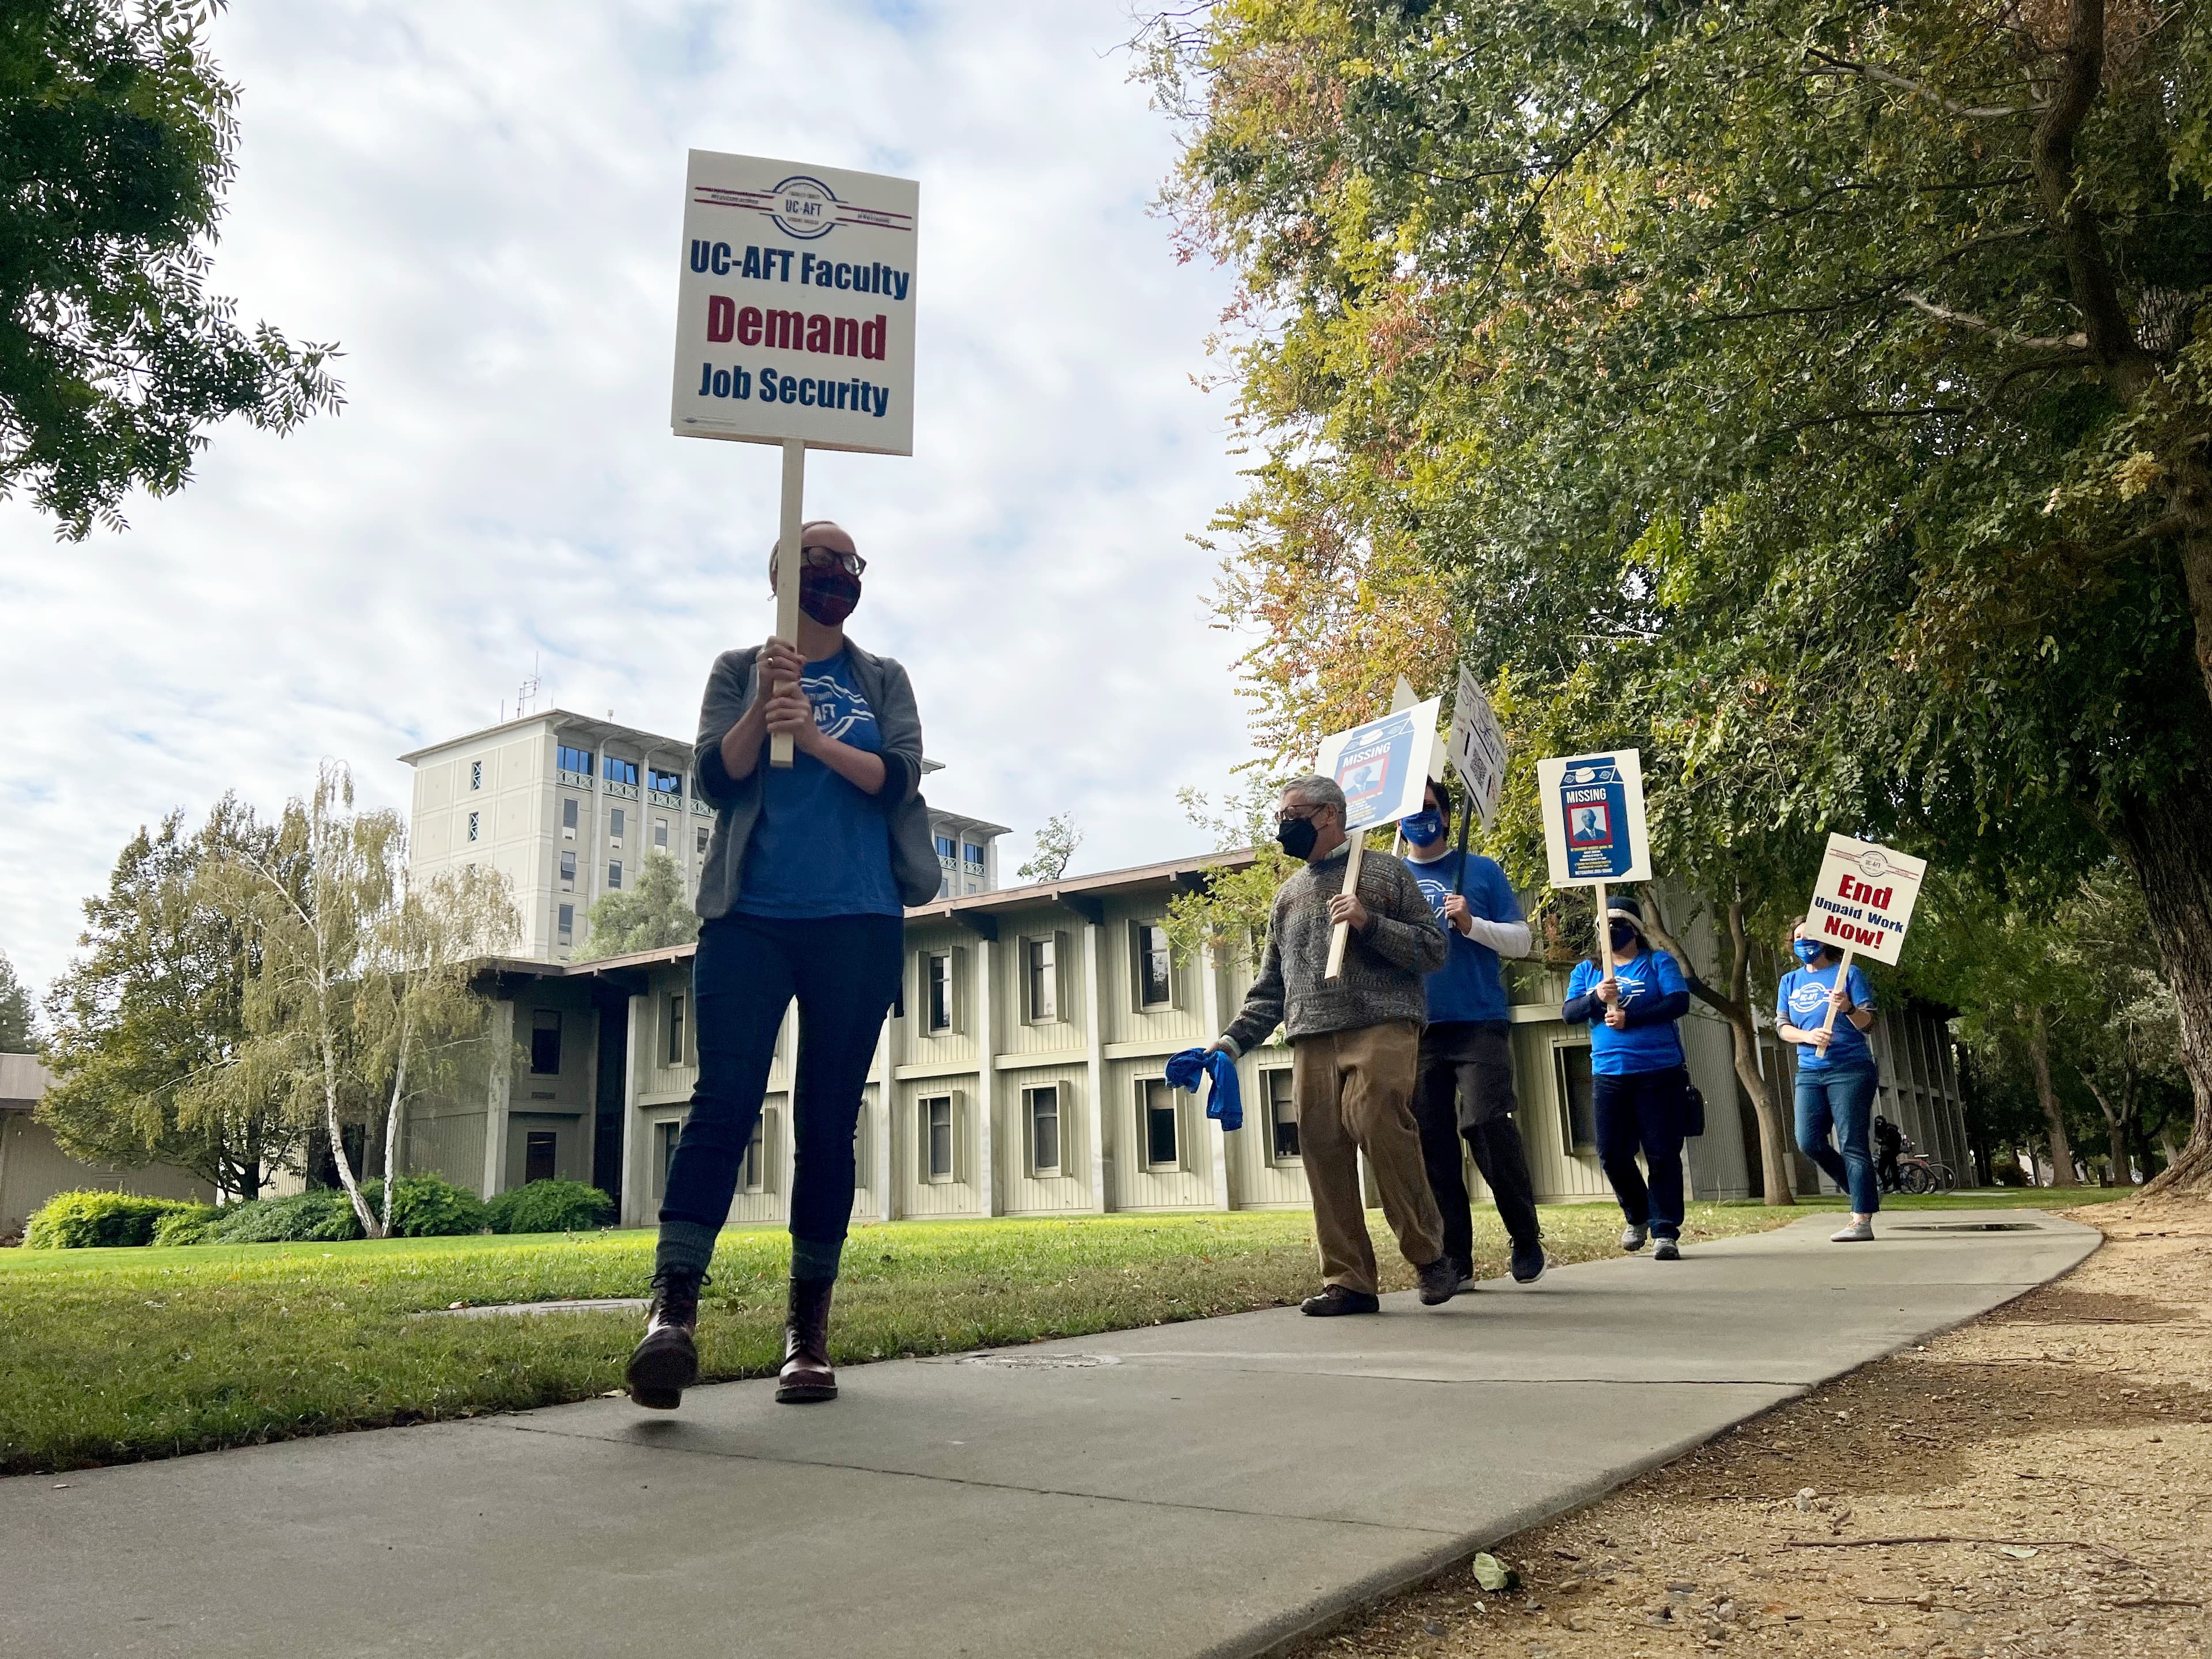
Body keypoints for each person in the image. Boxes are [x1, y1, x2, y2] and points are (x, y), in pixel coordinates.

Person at [626, 520, 941, 1411]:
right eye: (818, 561)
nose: (836, 573)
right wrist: (763, 714)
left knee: (827, 1120)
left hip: (859, 921)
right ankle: (671, 1316)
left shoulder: (882, 679)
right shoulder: (739, 669)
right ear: (780, 578)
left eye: (849, 563)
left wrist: (814, 734)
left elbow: (899, 777)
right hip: (749, 921)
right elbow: (714, 779)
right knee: (721, 1106)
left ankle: (807, 1335)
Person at [1207, 776, 1459, 1315]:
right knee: (1322, 1148)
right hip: (1311, 1034)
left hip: (1382, 1022)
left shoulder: (1387, 872)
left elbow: (1433, 950)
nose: (1282, 824)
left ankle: (1430, 1254)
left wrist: (1370, 923)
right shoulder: (1288, 895)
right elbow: (1270, 988)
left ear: (1328, 815)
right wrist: (1230, 1043)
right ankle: (1350, 1282)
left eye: (1291, 813)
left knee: (1376, 1119)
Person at [1400, 778, 1546, 1290]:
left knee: (1486, 1122)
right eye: (1410, 809)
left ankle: (1524, 1234)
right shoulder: (1386, 877)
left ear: (1445, 813)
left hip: (1478, 1021)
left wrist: (1473, 924)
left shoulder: (1481, 870)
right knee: (1432, 1145)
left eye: (1428, 808)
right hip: (1416, 1029)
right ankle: (1455, 1259)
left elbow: (1522, 940)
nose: (1420, 818)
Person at [1562, 896, 1694, 1260]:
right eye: (1605, 926)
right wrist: (1595, 998)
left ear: (1634, 930)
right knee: (1612, 1154)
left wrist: (1630, 1018)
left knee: (1662, 1152)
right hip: (1609, 1075)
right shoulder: (1588, 971)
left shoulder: (1656, 962)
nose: (1611, 933)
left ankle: (1665, 1229)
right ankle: (1638, 1215)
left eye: (1618, 925)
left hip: (1658, 1073)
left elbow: (1679, 1002)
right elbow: (1569, 1013)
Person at [1777, 919, 1881, 1241]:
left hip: (1850, 1068)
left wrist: (1847, 1007)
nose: (1803, 941)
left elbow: (1868, 1024)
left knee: (1852, 1142)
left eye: (1809, 936)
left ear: (1825, 939)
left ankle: (1861, 1220)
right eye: (1797, 937)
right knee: (1808, 1140)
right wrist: (1808, 1035)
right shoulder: (1789, 982)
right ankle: (1862, 1190)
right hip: (1810, 1071)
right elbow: (1782, 1027)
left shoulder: (1848, 973)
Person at [1873, 1113, 1904, 1192]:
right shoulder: (1886, 1129)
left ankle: (1889, 1186)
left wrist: (1882, 1141)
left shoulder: (1888, 1130)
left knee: (1883, 1170)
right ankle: (1893, 1186)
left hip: (1889, 1152)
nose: (1879, 1125)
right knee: (1893, 1170)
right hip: (1888, 1152)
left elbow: (1889, 1141)